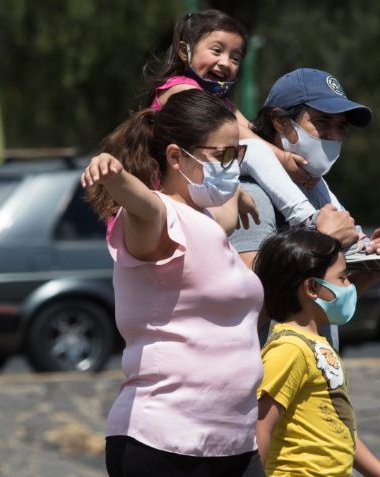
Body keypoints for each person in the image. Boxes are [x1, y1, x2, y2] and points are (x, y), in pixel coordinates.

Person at [83, 89, 264, 477]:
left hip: (235, 441)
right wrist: (113, 173)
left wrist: (238, 193)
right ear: (176, 157)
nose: (232, 166)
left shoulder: (209, 224)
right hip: (164, 444)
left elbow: (223, 216)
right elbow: (144, 205)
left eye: (238, 155)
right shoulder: (158, 219)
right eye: (222, 155)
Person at [228, 67, 380, 346]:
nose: (333, 136)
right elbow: (250, 311)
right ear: (279, 122)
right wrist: (325, 242)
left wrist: (368, 270)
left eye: (341, 127)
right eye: (322, 122)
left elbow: (317, 299)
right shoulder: (250, 199)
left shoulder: (318, 194)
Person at [139, 9, 319, 226]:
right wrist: (283, 159)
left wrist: (294, 155)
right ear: (184, 52)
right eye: (216, 51)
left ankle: (338, 219)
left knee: (303, 155)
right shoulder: (182, 88)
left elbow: (252, 129)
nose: (225, 62)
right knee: (253, 150)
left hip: (210, 161)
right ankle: (305, 218)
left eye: (235, 58)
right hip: (187, 169)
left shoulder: (220, 98)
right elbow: (241, 134)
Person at [252, 229, 380, 477]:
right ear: (311, 287)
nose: (349, 286)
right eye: (342, 278)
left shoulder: (316, 343)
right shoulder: (288, 349)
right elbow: (260, 428)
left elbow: (339, 428)